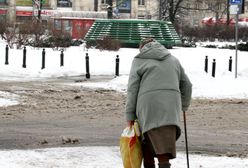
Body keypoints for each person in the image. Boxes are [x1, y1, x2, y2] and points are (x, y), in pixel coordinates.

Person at [125, 38, 192, 168]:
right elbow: (187, 85)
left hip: (148, 107)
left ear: (142, 48)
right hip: (171, 107)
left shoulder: (139, 60)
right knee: (164, 145)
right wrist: (183, 106)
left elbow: (132, 89)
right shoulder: (173, 60)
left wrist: (129, 116)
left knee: (146, 144)